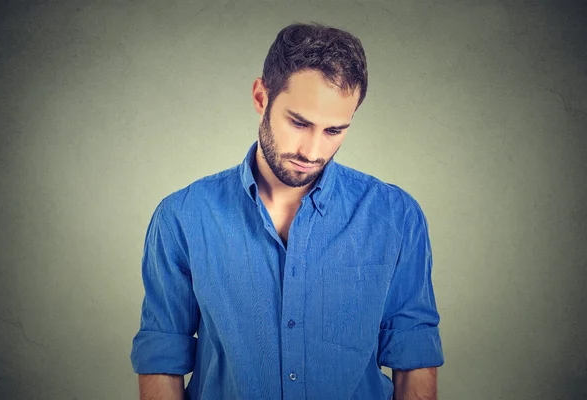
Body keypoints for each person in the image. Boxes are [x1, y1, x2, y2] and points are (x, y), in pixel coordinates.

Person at [130, 21, 444, 400]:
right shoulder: (181, 218)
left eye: (334, 131)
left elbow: (413, 357)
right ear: (262, 97)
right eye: (299, 122)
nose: (312, 152)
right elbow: (162, 356)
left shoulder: (396, 217)